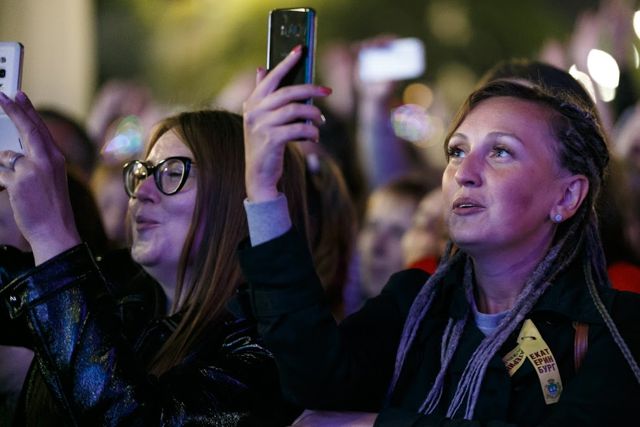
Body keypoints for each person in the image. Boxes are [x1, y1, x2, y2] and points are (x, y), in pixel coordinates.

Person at [238, 46, 640, 425]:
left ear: (567, 196)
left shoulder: (619, 328)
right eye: (457, 151)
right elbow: (314, 377)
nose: (465, 172)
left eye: (500, 151)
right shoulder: (413, 303)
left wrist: (374, 423)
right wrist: (264, 189)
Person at [0, 91, 299, 425]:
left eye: (173, 173)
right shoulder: (118, 287)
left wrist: (51, 234)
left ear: (236, 198)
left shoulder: (265, 348)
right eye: (143, 172)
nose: (141, 192)